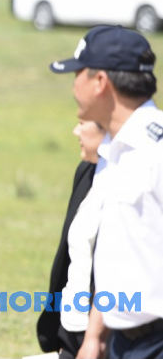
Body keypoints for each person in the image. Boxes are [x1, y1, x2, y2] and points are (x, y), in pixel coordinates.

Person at [49, 25, 163, 359]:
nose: (73, 85)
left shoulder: (155, 152)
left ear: (100, 82)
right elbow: (117, 254)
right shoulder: (114, 149)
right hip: (119, 339)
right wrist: (95, 336)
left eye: (77, 73)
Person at [36, 120, 106, 359]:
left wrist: (95, 338)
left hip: (107, 335)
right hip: (71, 330)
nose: (75, 130)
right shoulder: (88, 170)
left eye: (83, 122)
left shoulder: (135, 179)